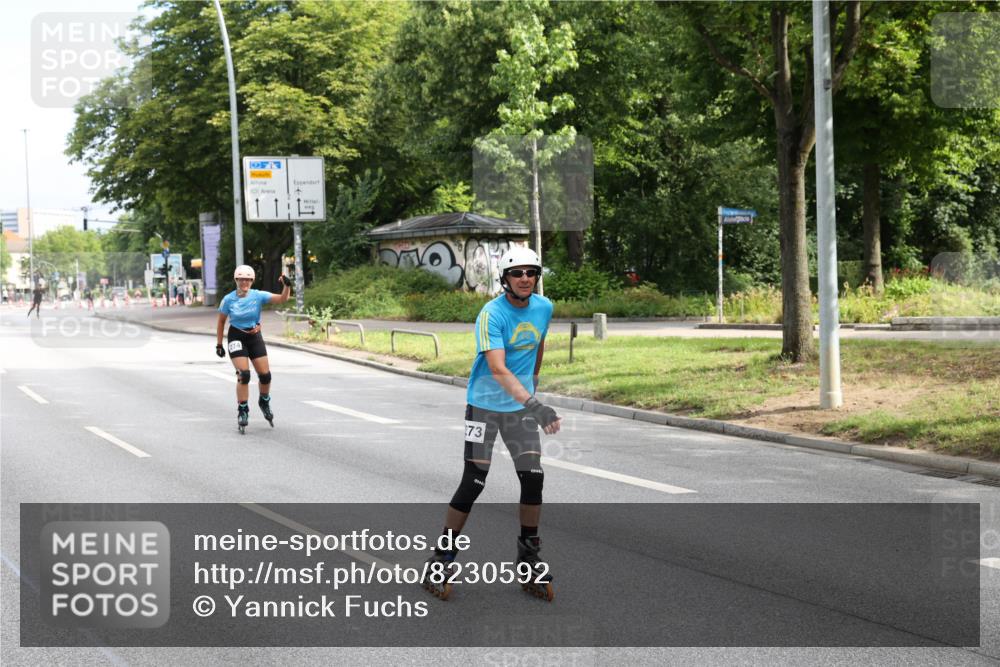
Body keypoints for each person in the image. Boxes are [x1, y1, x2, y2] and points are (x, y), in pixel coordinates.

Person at [423, 246, 561, 601]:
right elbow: (498, 368)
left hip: (519, 408)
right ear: (505, 279)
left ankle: (529, 556)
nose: (526, 279)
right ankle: (442, 557)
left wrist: (534, 383)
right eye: (518, 274)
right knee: (474, 481)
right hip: (484, 405)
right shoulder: (491, 314)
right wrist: (534, 402)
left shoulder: (544, 307)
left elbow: (538, 344)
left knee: (533, 478)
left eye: (531, 273)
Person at [215, 265, 291, 433]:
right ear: (236, 280)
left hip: (254, 336)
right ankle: (243, 409)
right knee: (244, 374)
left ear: (252, 281)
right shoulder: (228, 299)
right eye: (241, 279)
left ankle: (264, 400)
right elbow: (221, 322)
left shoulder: (258, 295)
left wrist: (287, 286)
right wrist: (219, 344)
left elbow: (282, 299)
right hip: (237, 336)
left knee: (265, 375)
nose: (245, 283)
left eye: (248, 280)